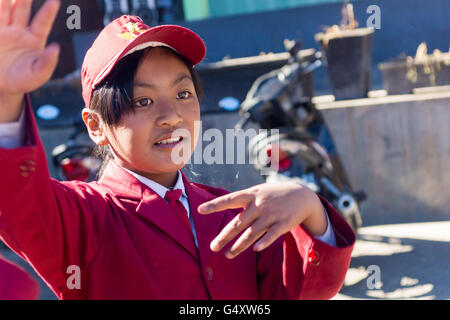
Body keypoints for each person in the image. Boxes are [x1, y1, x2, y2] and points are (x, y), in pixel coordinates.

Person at [0, 0, 355, 299]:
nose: (171, 116)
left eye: (183, 94)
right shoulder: (85, 219)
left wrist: (311, 210)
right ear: (95, 126)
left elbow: (302, 291)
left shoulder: (231, 216)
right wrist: (6, 98)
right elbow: (18, 202)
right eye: (142, 100)